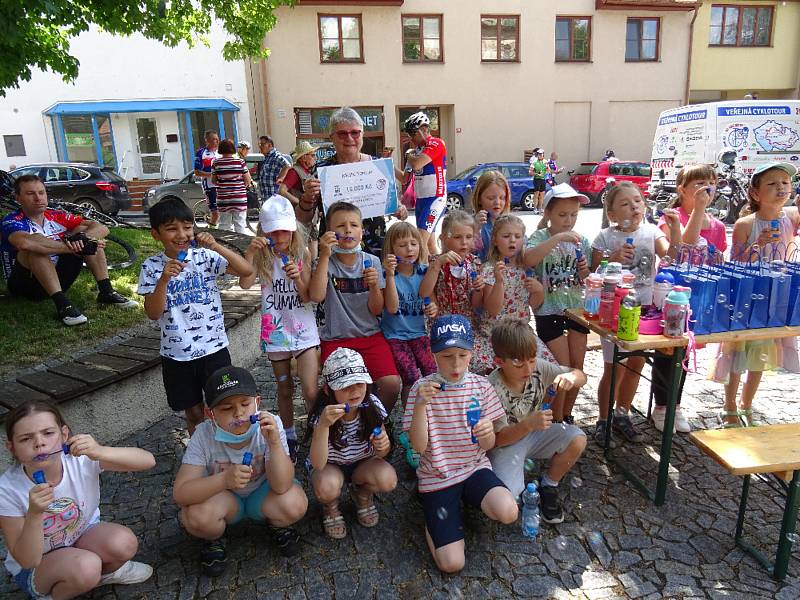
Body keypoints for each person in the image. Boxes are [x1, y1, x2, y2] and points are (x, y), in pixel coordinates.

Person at [0, 401, 156, 599]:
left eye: (48, 433)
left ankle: (105, 574)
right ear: (11, 448)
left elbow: (148, 460)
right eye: (25, 439)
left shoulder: (80, 460)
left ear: (64, 434)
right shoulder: (7, 490)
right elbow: (28, 560)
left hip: (80, 537)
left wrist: (100, 451)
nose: (39, 443)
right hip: (38, 566)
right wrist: (34, 515)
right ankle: (52, 596)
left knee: (124, 543)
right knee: (86, 567)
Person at [403, 315, 518, 573]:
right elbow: (419, 447)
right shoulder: (421, 389)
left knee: (509, 512)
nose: (456, 364)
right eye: (446, 356)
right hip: (438, 476)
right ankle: (432, 519)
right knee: (452, 564)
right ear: (433, 355)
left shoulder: (481, 386)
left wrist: (488, 431)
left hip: (474, 467)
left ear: (472, 353)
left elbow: (488, 445)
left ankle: (463, 500)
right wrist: (421, 405)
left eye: (462, 355)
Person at [173, 366, 307, 576]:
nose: (239, 413)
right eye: (226, 408)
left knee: (294, 502)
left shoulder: (271, 424)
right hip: (225, 501)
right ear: (211, 414)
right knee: (195, 517)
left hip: (262, 496)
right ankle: (214, 539)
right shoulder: (203, 435)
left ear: (257, 402)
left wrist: (273, 443)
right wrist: (224, 480)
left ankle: (278, 524)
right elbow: (181, 493)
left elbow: (282, 485)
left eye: (245, 404)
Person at [137, 198, 254, 434]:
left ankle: (228, 450)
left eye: (187, 227)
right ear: (155, 234)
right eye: (171, 229)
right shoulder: (151, 267)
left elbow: (246, 270)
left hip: (214, 349)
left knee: (223, 403)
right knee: (194, 412)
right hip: (177, 354)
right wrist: (164, 280)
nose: (181, 234)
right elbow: (153, 313)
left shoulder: (204, 258)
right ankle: (201, 458)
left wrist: (217, 247)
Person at [710, 162, 800, 427]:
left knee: (762, 352)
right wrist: (758, 246)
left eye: (784, 182)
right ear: (756, 193)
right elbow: (734, 264)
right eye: (772, 183)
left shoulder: (790, 218)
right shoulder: (745, 224)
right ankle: (728, 406)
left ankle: (747, 404)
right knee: (738, 350)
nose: (780, 187)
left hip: (775, 297)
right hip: (746, 298)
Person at [591, 182, 671, 446]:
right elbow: (593, 274)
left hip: (644, 311)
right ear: (612, 214)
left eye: (637, 200)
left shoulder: (651, 231)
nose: (634, 206)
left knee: (635, 363)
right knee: (614, 367)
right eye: (625, 203)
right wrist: (611, 257)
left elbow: (670, 252)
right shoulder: (605, 237)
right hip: (613, 312)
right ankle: (603, 420)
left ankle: (622, 412)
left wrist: (677, 228)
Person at [240, 196, 318, 463]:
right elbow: (245, 283)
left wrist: (298, 279)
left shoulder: (302, 253)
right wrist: (249, 253)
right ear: (263, 231)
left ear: (293, 229)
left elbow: (309, 296)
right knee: (284, 389)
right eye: (273, 230)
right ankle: (289, 435)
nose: (279, 235)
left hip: (304, 331)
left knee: (310, 390)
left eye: (284, 229)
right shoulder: (262, 256)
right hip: (275, 332)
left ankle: (318, 431)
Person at [0, 174, 137, 326]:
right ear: (17, 198)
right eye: (30, 194)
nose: (38, 198)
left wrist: (83, 240)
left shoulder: (56, 216)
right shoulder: (11, 220)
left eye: (41, 192)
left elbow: (101, 227)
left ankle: (106, 292)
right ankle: (63, 306)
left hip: (57, 279)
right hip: (25, 286)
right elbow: (24, 242)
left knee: (87, 237)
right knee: (36, 249)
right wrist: (72, 247)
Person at [650, 164, 725, 433]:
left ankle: (676, 405)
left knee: (684, 350)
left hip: (698, 294)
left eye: (711, 182)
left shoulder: (716, 225)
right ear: (681, 189)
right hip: (670, 293)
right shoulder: (673, 217)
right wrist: (699, 211)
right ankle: (662, 406)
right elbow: (685, 248)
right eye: (699, 183)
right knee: (667, 350)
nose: (706, 188)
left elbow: (716, 258)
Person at [487, 319, 587, 522]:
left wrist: (572, 378)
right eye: (518, 362)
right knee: (507, 501)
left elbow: (580, 375)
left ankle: (549, 484)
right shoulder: (491, 387)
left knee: (577, 438)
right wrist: (529, 424)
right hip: (506, 446)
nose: (527, 368)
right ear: (499, 361)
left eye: (531, 359)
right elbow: (498, 439)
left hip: (534, 432)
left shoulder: (539, 368)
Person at [309, 201, 402, 415]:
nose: (348, 230)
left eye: (354, 225)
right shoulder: (325, 262)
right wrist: (323, 255)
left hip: (370, 336)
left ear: (361, 231)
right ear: (329, 232)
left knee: (391, 384)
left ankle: (376, 420)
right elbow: (316, 296)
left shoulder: (372, 262)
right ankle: (347, 427)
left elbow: (377, 310)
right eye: (340, 226)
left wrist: (373, 287)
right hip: (335, 340)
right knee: (341, 389)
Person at [306, 348, 396, 539]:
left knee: (388, 478)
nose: (354, 391)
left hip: (363, 463)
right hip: (330, 465)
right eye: (345, 386)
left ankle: (362, 495)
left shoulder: (372, 404)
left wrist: (383, 445)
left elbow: (382, 453)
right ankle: (330, 507)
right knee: (326, 487)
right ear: (328, 389)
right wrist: (323, 426)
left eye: (359, 383)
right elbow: (318, 464)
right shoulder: (322, 414)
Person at [296, 107, 408, 257]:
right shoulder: (320, 171)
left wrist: (400, 209)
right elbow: (302, 220)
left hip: (374, 251)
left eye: (355, 132)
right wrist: (307, 198)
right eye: (342, 134)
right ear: (332, 137)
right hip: (334, 253)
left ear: (362, 135)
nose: (349, 138)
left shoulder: (378, 167)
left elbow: (397, 208)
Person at [524, 184, 592, 423]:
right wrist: (557, 238)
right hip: (548, 311)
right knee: (561, 368)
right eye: (562, 215)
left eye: (573, 215)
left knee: (577, 367)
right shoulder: (540, 237)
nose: (569, 220)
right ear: (548, 214)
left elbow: (587, 277)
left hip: (576, 311)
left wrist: (585, 271)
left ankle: (566, 414)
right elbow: (528, 258)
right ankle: (556, 419)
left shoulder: (582, 241)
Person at [471, 214, 548, 375]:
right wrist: (499, 282)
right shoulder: (488, 269)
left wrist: (539, 290)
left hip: (521, 335)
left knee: (548, 370)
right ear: (495, 240)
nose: (512, 240)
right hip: (494, 336)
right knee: (486, 372)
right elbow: (492, 309)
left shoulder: (526, 270)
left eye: (517, 236)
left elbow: (534, 305)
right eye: (506, 236)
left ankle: (537, 400)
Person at [381, 221, 439, 408]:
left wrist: (433, 308)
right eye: (402, 245)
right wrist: (390, 275)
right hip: (395, 336)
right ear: (392, 249)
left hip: (419, 333)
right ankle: (409, 422)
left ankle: (431, 417)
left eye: (413, 244)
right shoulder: (387, 275)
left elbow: (431, 299)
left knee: (432, 371)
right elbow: (391, 307)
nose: (409, 249)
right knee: (411, 378)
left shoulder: (424, 271)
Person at [418, 209, 484, 322]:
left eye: (468, 237)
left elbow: (476, 304)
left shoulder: (474, 264)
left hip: (467, 325)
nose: (464, 242)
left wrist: (479, 289)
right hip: (442, 324)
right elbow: (424, 293)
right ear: (443, 238)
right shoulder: (435, 262)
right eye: (457, 237)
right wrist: (437, 264)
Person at [403, 112, 448, 255]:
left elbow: (416, 164)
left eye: (413, 133)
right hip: (421, 200)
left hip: (435, 198)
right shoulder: (416, 151)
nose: (411, 138)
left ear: (423, 129)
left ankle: (424, 275)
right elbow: (404, 178)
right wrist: (387, 165)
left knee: (420, 242)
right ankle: (440, 274)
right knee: (429, 245)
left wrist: (409, 156)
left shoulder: (436, 143)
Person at [279, 140, 320, 258]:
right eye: (312, 155)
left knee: (313, 238)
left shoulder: (307, 171)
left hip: (310, 216)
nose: (315, 157)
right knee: (299, 243)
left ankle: (313, 265)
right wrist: (300, 203)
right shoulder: (294, 171)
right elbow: (282, 191)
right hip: (299, 215)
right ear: (303, 157)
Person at [212, 138, 252, 234]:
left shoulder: (216, 163)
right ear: (233, 149)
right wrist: (241, 187)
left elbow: (214, 181)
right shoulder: (240, 162)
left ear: (220, 149)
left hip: (223, 198)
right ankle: (241, 247)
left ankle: (225, 246)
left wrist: (223, 185)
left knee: (224, 224)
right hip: (239, 198)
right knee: (240, 224)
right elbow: (248, 180)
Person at [471, 170, 511, 262]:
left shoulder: (511, 223)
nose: (497, 202)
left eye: (502, 198)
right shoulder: (471, 222)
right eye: (491, 198)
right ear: (479, 199)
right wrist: (475, 229)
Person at [194, 130, 221, 228]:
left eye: (217, 139)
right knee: (216, 213)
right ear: (207, 141)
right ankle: (212, 233)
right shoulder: (201, 152)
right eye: (213, 139)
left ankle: (215, 230)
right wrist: (213, 174)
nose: (216, 141)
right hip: (210, 186)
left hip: (223, 186)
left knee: (224, 212)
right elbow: (197, 172)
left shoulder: (222, 151)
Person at [257, 135, 291, 202]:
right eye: (259, 144)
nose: (260, 146)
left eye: (262, 144)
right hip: (267, 197)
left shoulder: (276, 156)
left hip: (274, 197)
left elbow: (287, 165)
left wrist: (280, 178)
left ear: (269, 145)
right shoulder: (267, 158)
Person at [528, 149, 548, 214]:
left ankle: (540, 208)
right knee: (536, 194)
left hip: (543, 179)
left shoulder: (545, 161)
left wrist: (557, 171)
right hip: (537, 180)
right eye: (539, 154)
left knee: (542, 195)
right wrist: (536, 174)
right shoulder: (534, 161)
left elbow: (548, 170)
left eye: (542, 154)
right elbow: (530, 172)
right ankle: (535, 209)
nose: (540, 155)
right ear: (537, 155)